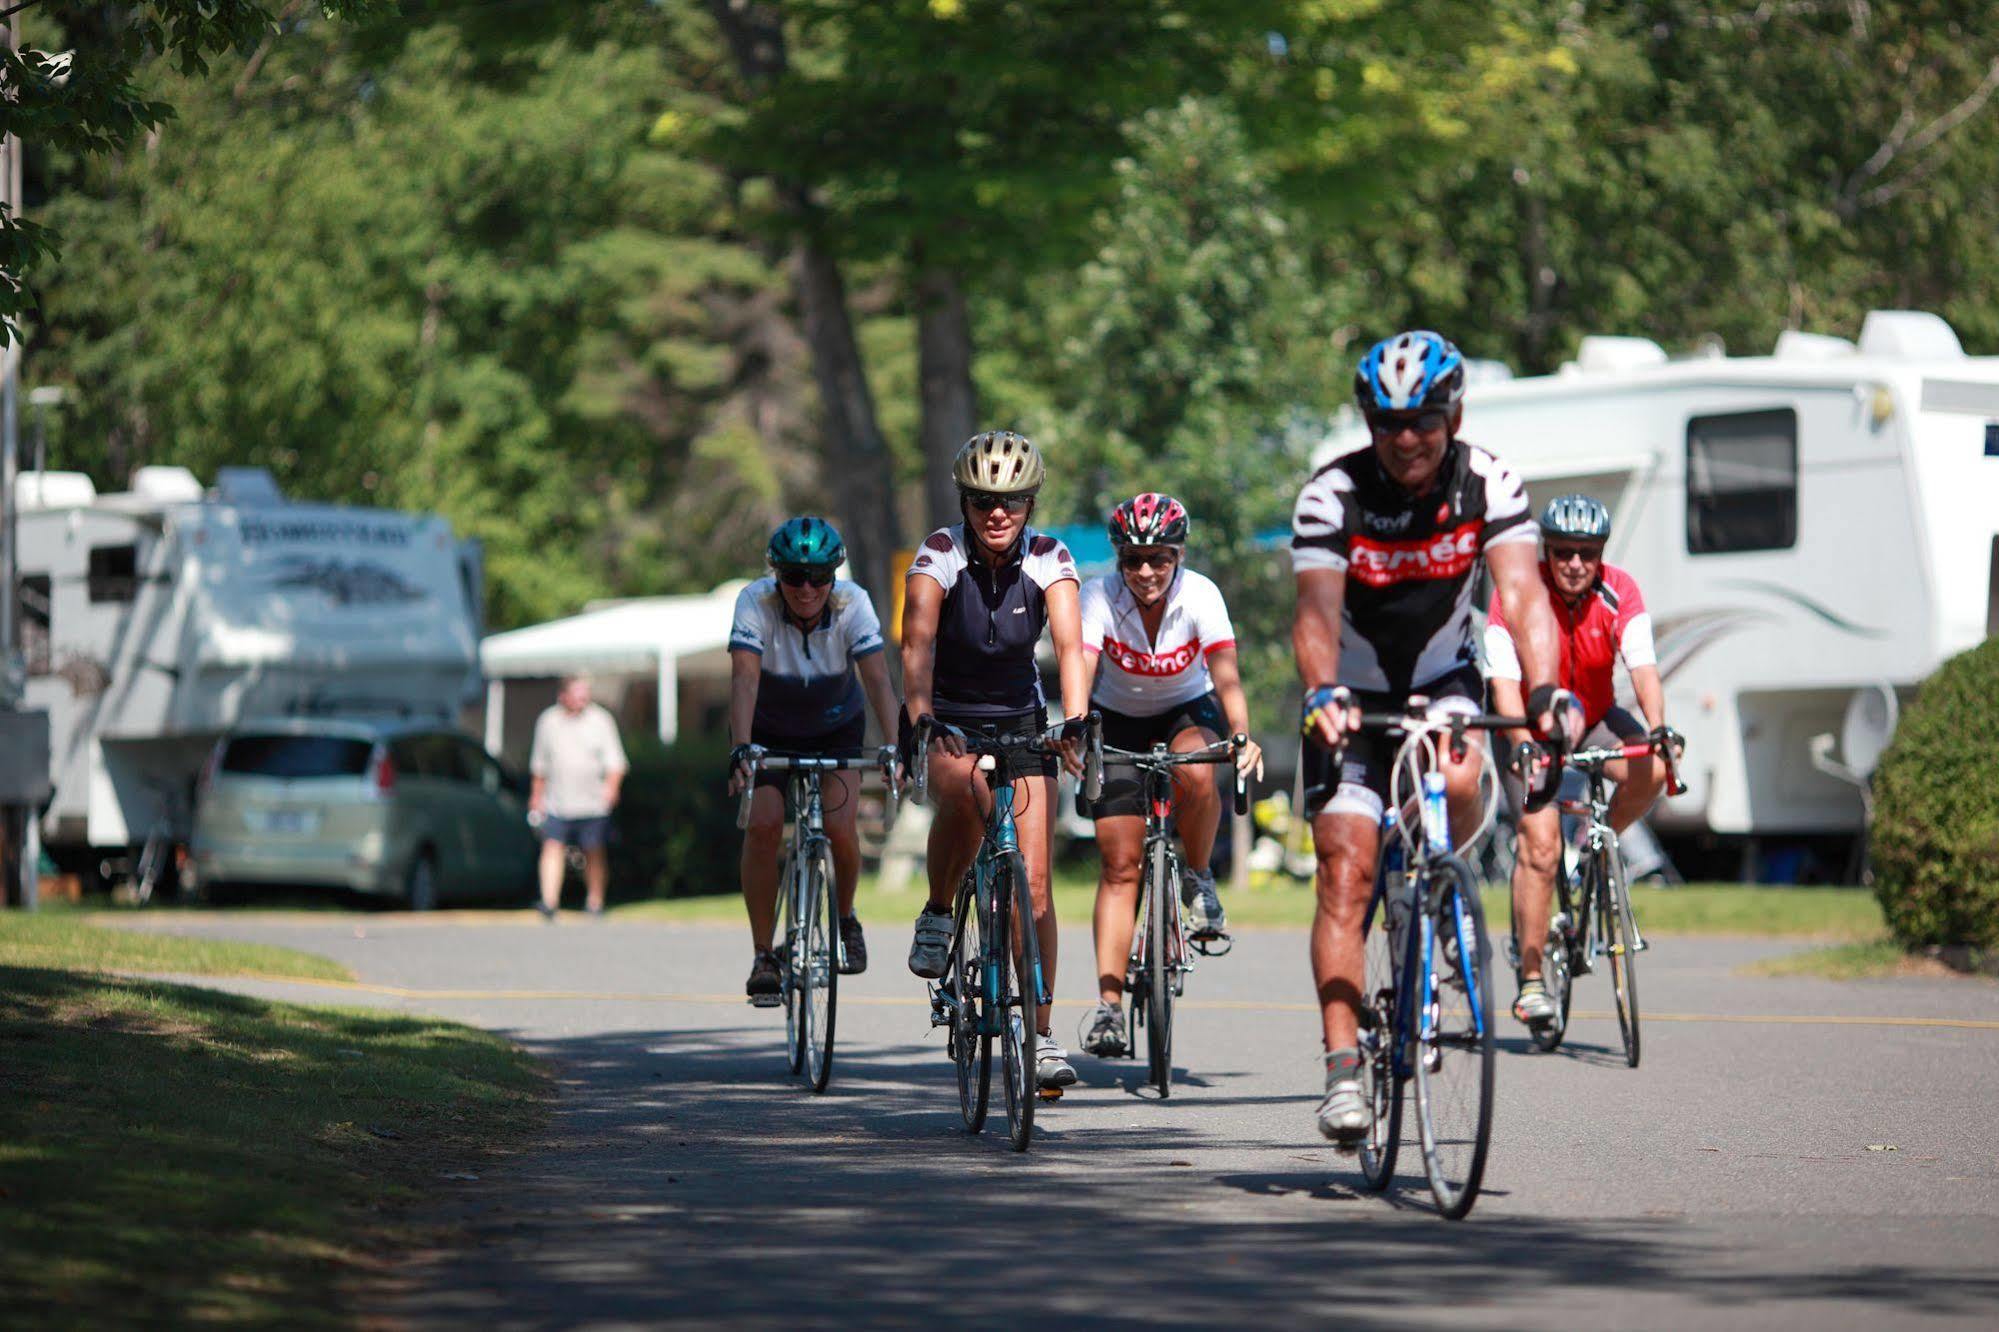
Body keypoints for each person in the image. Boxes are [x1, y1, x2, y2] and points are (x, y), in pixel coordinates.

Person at [1291, 329, 1580, 1145]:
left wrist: (1546, 693)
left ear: (1452, 413)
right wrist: (1320, 692)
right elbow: (1313, 614)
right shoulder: (1330, 494)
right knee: (1344, 872)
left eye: (1422, 419)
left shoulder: (1489, 482)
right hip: (1348, 696)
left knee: (1455, 779)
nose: (1405, 438)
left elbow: (1522, 598)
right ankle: (1343, 1071)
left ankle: (1431, 893)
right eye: (1386, 424)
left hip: (1440, 684)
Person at [900, 430, 1091, 1090]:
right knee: (964, 792)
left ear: (1031, 503)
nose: (996, 513)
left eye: (1011, 501)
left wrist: (1075, 718)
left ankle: (1038, 1036)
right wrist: (921, 716)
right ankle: (939, 908)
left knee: (1035, 891)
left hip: (1020, 722)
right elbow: (916, 644)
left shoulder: (1049, 557)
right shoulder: (939, 553)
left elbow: (1069, 646)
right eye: (982, 501)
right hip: (948, 716)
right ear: (964, 501)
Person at [1074, 492, 1263, 1059]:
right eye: (1133, 560)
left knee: (1202, 775)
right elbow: (1081, 665)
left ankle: (1200, 878)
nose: (1146, 571)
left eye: (1159, 557)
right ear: (1118, 560)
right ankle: (1108, 1008)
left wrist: (1241, 734)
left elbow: (1226, 676)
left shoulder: (1201, 594)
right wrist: (1078, 728)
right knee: (1118, 864)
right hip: (1118, 721)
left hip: (1188, 711)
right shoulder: (1097, 594)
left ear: (1178, 555)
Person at [1484, 493, 1677, 1028]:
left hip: (1592, 713)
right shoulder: (1518, 594)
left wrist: (1658, 727)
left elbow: (1643, 668)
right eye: (1564, 551)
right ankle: (1529, 981)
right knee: (1540, 847)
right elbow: (1502, 683)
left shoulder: (1621, 591)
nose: (1574, 563)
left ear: (1600, 554)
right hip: (1527, 721)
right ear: (1546, 551)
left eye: (1587, 553)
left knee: (1655, 769)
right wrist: (1523, 742)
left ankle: (1598, 845)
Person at [728, 517, 902, 1004]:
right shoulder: (754, 602)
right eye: (794, 578)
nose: (807, 589)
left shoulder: (854, 603)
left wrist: (896, 747)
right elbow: (743, 679)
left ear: (834, 576)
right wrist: (741, 745)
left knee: (842, 828)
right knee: (763, 826)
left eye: (820, 578)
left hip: (834, 727)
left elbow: (878, 683)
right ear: (776, 576)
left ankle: (845, 917)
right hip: (767, 727)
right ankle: (765, 955)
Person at [529, 674, 629, 919]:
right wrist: (536, 796)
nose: (583, 700)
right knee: (552, 847)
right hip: (558, 800)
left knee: (593, 850)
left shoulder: (600, 720)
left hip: (593, 802)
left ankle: (595, 901)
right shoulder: (548, 721)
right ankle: (549, 901)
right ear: (562, 695)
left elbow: (616, 762)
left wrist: (611, 789)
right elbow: (540, 764)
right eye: (577, 694)